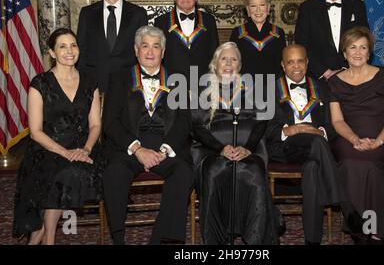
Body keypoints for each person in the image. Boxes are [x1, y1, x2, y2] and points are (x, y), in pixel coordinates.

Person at [102, 25, 194, 245]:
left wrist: (163, 150)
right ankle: (118, 238)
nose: (150, 52)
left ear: (163, 51)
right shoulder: (120, 78)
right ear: (136, 50)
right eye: (145, 46)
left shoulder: (177, 79)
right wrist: (138, 149)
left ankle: (161, 239)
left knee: (184, 173)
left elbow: (184, 122)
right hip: (130, 147)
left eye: (156, 47)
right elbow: (110, 122)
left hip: (166, 147)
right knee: (114, 173)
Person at [266, 44, 363, 245]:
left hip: (316, 150)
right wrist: (288, 130)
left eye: (300, 61)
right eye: (290, 62)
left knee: (312, 169)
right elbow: (263, 130)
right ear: (283, 66)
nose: (296, 67)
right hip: (285, 149)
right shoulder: (269, 89)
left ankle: (312, 240)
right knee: (317, 142)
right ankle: (348, 208)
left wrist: (321, 132)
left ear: (307, 63)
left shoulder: (323, 88)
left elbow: (335, 124)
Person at [13, 28, 103, 245]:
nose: (69, 51)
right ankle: (47, 237)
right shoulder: (40, 83)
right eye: (62, 46)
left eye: (73, 45)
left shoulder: (90, 82)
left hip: (84, 149)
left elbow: (95, 125)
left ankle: (40, 235)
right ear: (52, 53)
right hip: (48, 148)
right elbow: (35, 132)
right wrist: (65, 152)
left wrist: (86, 150)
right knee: (59, 172)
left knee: (71, 172)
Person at [328, 26, 384, 244]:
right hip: (348, 139)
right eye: (352, 47)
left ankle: (373, 231)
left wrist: (377, 141)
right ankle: (362, 230)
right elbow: (337, 121)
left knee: (368, 163)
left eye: (363, 47)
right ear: (344, 52)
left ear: (370, 52)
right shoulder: (335, 82)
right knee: (350, 162)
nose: (358, 52)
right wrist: (354, 140)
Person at [191, 42, 283, 244]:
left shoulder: (252, 88)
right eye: (224, 58)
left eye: (234, 59)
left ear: (240, 65)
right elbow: (196, 127)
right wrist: (220, 148)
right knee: (216, 171)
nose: (229, 63)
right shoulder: (201, 88)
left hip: (249, 149)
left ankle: (256, 239)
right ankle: (217, 239)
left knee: (252, 172)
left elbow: (262, 122)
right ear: (215, 64)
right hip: (211, 151)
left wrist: (248, 148)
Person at [77, 0, 149, 93]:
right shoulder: (87, 13)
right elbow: (81, 51)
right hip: (94, 87)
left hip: (129, 87)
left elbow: (144, 52)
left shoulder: (138, 14)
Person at [294, 0, 369, 81]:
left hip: (353, 77)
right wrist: (325, 72)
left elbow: (365, 42)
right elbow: (302, 46)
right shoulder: (307, 8)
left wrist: (345, 71)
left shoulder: (358, 6)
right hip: (319, 79)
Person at [154, 0, 219, 81]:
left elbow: (215, 56)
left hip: (202, 85)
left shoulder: (209, 21)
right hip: (172, 85)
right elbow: (157, 58)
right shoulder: (161, 22)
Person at [230, 0, 285, 77]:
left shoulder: (278, 33)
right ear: (248, 10)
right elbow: (232, 64)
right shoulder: (238, 33)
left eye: (262, 5)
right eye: (253, 6)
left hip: (271, 86)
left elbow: (282, 67)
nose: (258, 10)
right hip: (246, 86)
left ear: (268, 8)